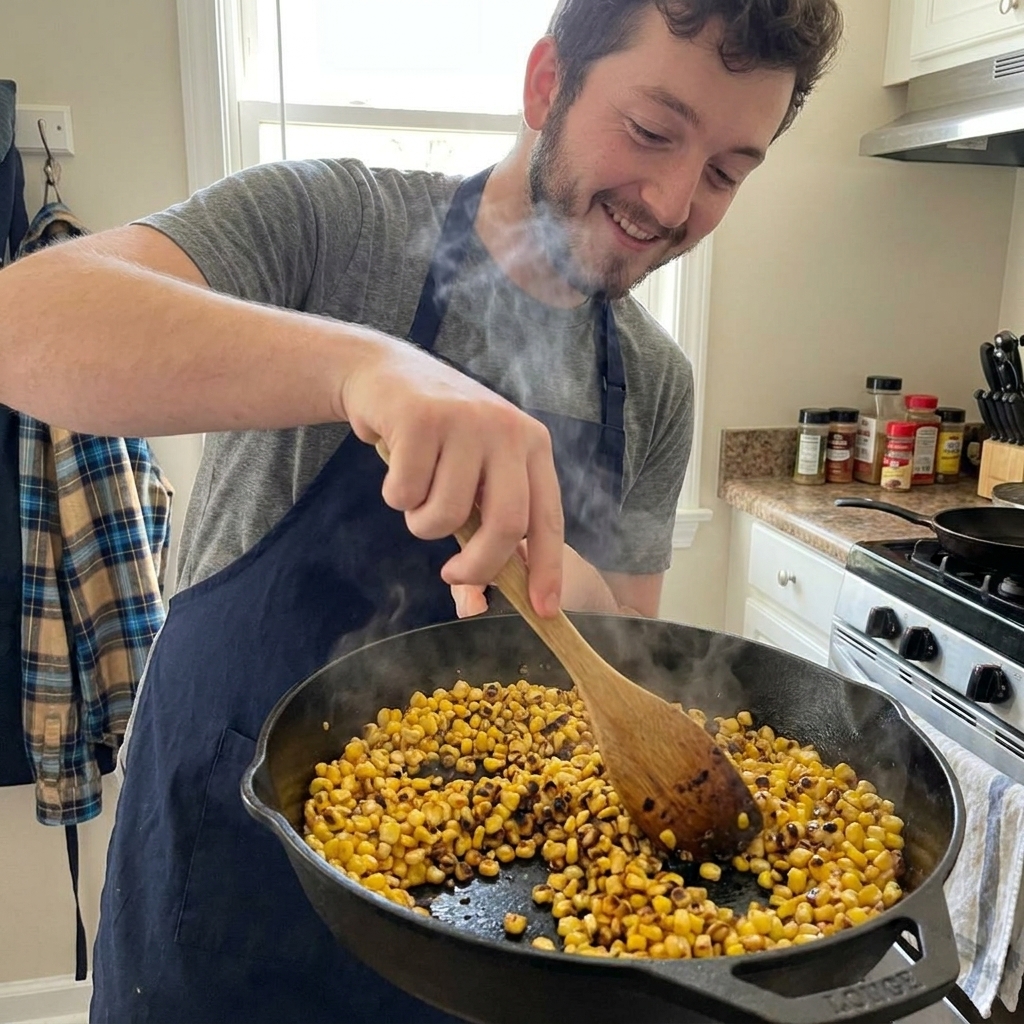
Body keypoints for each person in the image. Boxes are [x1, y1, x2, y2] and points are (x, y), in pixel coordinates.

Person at [0, 0, 843, 1020]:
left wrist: (554, 577)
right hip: (224, 891)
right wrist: (365, 366)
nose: (671, 200)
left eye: (724, 171)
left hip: (484, 922)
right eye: (651, 130)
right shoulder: (332, 230)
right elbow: (27, 324)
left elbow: (630, 656)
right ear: (546, 87)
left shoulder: (654, 384)